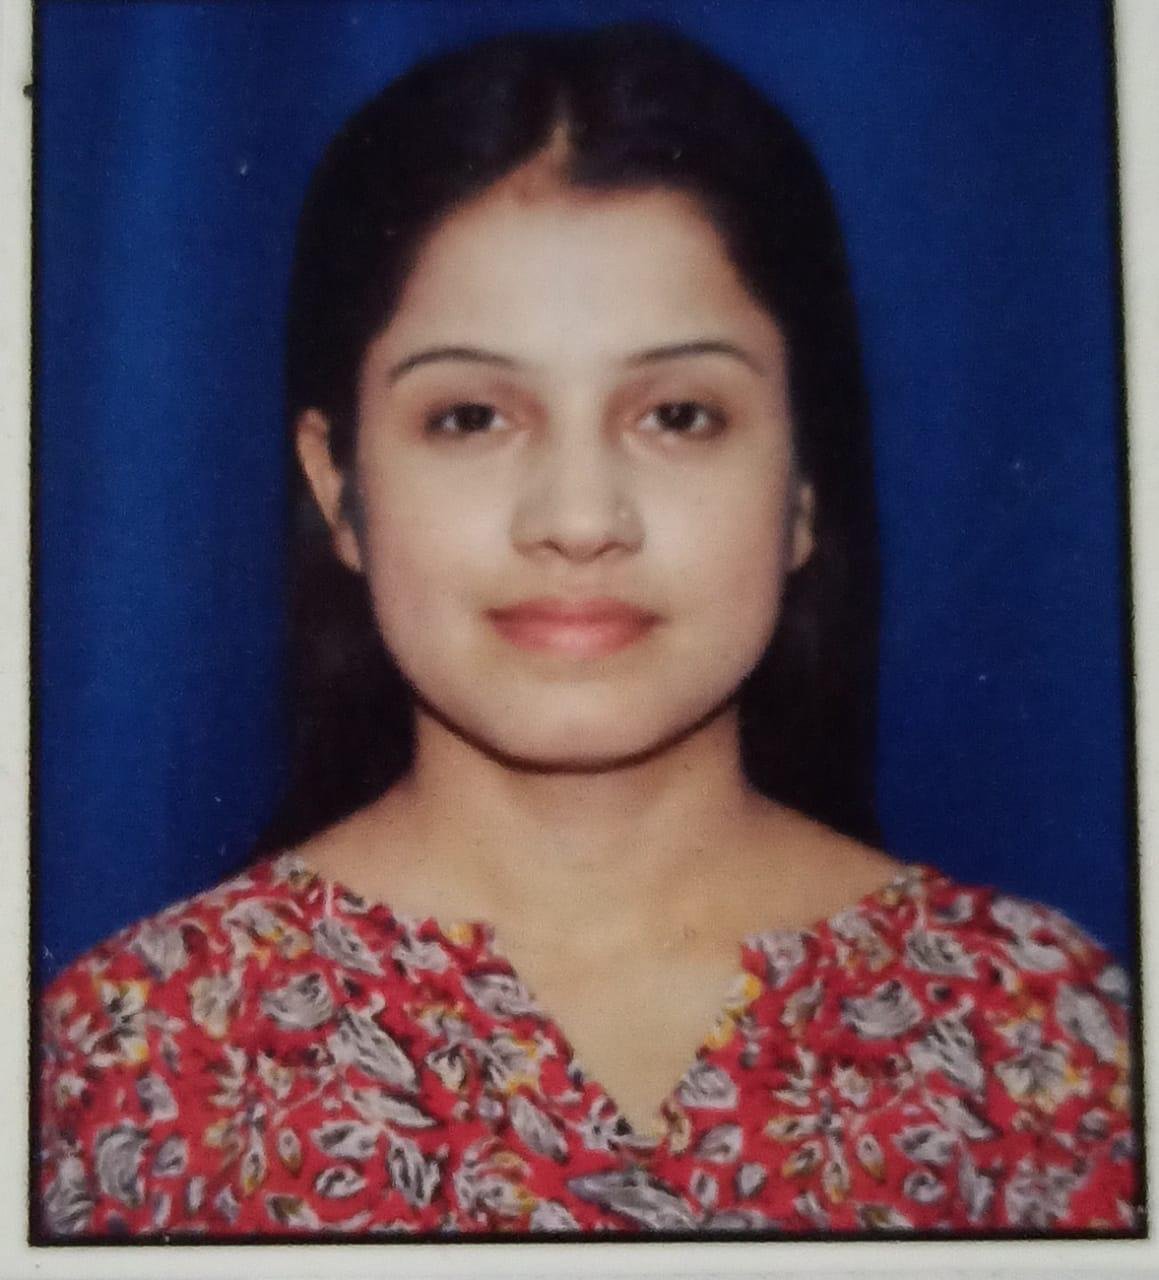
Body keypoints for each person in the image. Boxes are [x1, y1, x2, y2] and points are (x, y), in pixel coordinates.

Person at [37, 23, 1136, 1237]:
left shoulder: (1041, 1036)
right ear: (338, 486)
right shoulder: (129, 1058)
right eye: (469, 417)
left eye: (679, 415)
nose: (577, 519)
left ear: (803, 488)